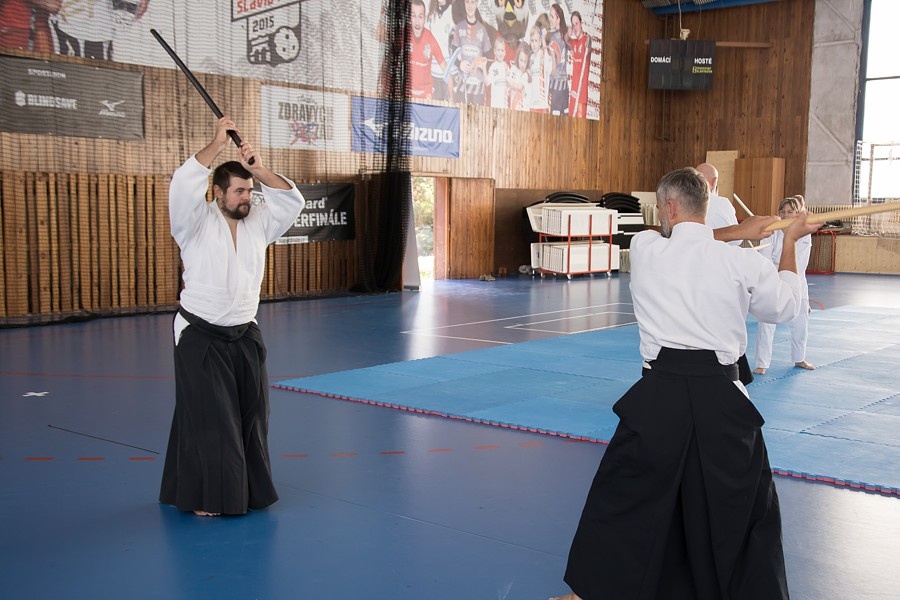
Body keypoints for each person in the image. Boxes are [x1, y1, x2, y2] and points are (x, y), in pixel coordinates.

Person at [552, 167, 822, 600]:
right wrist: (788, 242)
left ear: (669, 207)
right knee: (741, 508)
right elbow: (787, 307)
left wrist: (738, 231)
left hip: (658, 396)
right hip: (723, 399)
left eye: (660, 207)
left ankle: (591, 593)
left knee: (623, 497)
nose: (658, 214)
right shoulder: (742, 261)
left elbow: (690, 246)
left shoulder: (644, 248)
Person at [159, 116, 305, 517]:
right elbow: (182, 183)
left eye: (250, 190)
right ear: (218, 192)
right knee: (213, 420)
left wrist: (260, 169)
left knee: (253, 416)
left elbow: (292, 201)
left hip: (244, 333)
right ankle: (207, 497)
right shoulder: (193, 222)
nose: (247, 197)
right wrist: (216, 143)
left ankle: (250, 490)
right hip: (199, 334)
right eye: (239, 190)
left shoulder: (259, 221)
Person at [753, 196, 815, 375]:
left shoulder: (804, 233)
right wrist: (776, 273)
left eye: (790, 211)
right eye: (783, 211)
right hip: (774, 280)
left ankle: (799, 358)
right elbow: (765, 257)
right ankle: (762, 362)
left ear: (797, 213)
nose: (786, 214)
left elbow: (801, 263)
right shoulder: (773, 230)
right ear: (779, 213)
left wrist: (785, 270)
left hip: (798, 281)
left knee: (801, 321)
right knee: (766, 322)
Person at [409, 0, 449, 100]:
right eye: (414, 16)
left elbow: (445, 68)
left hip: (425, 98)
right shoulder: (403, 36)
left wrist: (452, 98)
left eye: (420, 17)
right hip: (407, 97)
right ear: (409, 17)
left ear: (425, 19)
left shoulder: (430, 39)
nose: (417, 22)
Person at [696, 162, 740, 241]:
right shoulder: (723, 203)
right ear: (714, 182)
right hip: (718, 251)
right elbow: (737, 240)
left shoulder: (684, 202)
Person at [567, 10, 590, 118]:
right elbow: (565, 40)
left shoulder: (586, 40)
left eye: (577, 23)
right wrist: (569, 32)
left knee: (580, 123)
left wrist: (588, 42)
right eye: (573, 25)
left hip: (582, 91)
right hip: (573, 91)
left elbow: (590, 46)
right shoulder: (574, 43)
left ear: (581, 23)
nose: (575, 27)